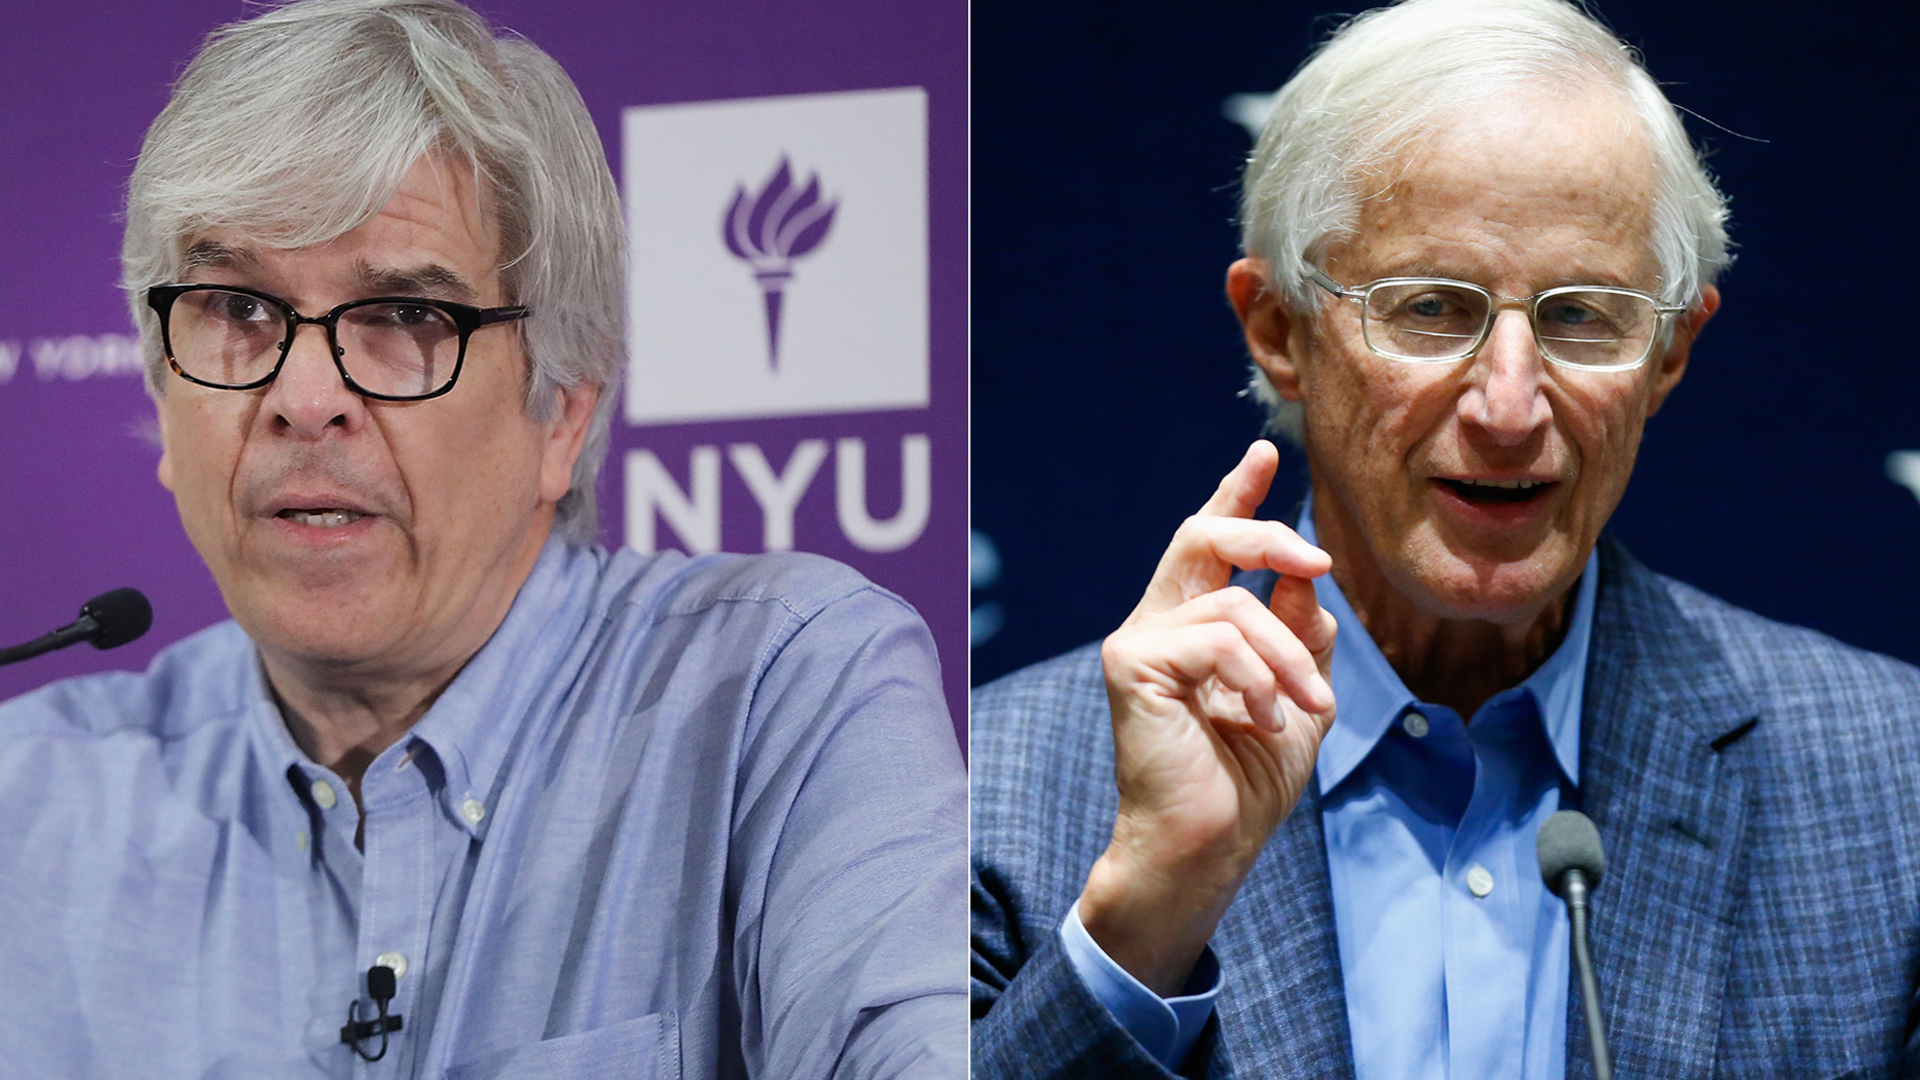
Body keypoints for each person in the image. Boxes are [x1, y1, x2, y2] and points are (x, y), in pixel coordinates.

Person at [0, 1, 965, 1076]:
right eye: (236, 308)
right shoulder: (29, 804)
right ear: (161, 388)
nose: (303, 396)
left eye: (407, 317)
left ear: (563, 412)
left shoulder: (776, 693)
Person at [970, 0, 1920, 1077]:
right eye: (1430, 308)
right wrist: (1144, 917)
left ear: (1668, 353)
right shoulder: (981, 796)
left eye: (1581, 316)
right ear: (1279, 331)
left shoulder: (1895, 786)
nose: (1510, 408)